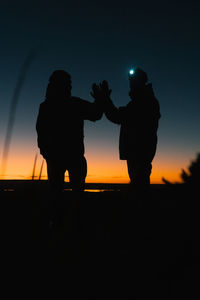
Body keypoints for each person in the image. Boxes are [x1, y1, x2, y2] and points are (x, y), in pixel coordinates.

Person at [36, 70, 103, 193]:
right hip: (63, 157)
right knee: (68, 193)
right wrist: (100, 98)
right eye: (67, 84)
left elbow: (96, 114)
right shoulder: (72, 104)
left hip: (65, 157)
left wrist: (99, 99)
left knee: (61, 193)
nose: (70, 86)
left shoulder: (48, 106)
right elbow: (96, 114)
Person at [96, 68, 161, 188]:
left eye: (133, 82)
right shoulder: (144, 101)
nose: (130, 85)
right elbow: (118, 116)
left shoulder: (144, 102)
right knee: (139, 183)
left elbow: (116, 116)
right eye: (130, 82)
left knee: (139, 187)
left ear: (140, 82)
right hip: (139, 151)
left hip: (139, 152)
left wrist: (104, 99)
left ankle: (140, 205)